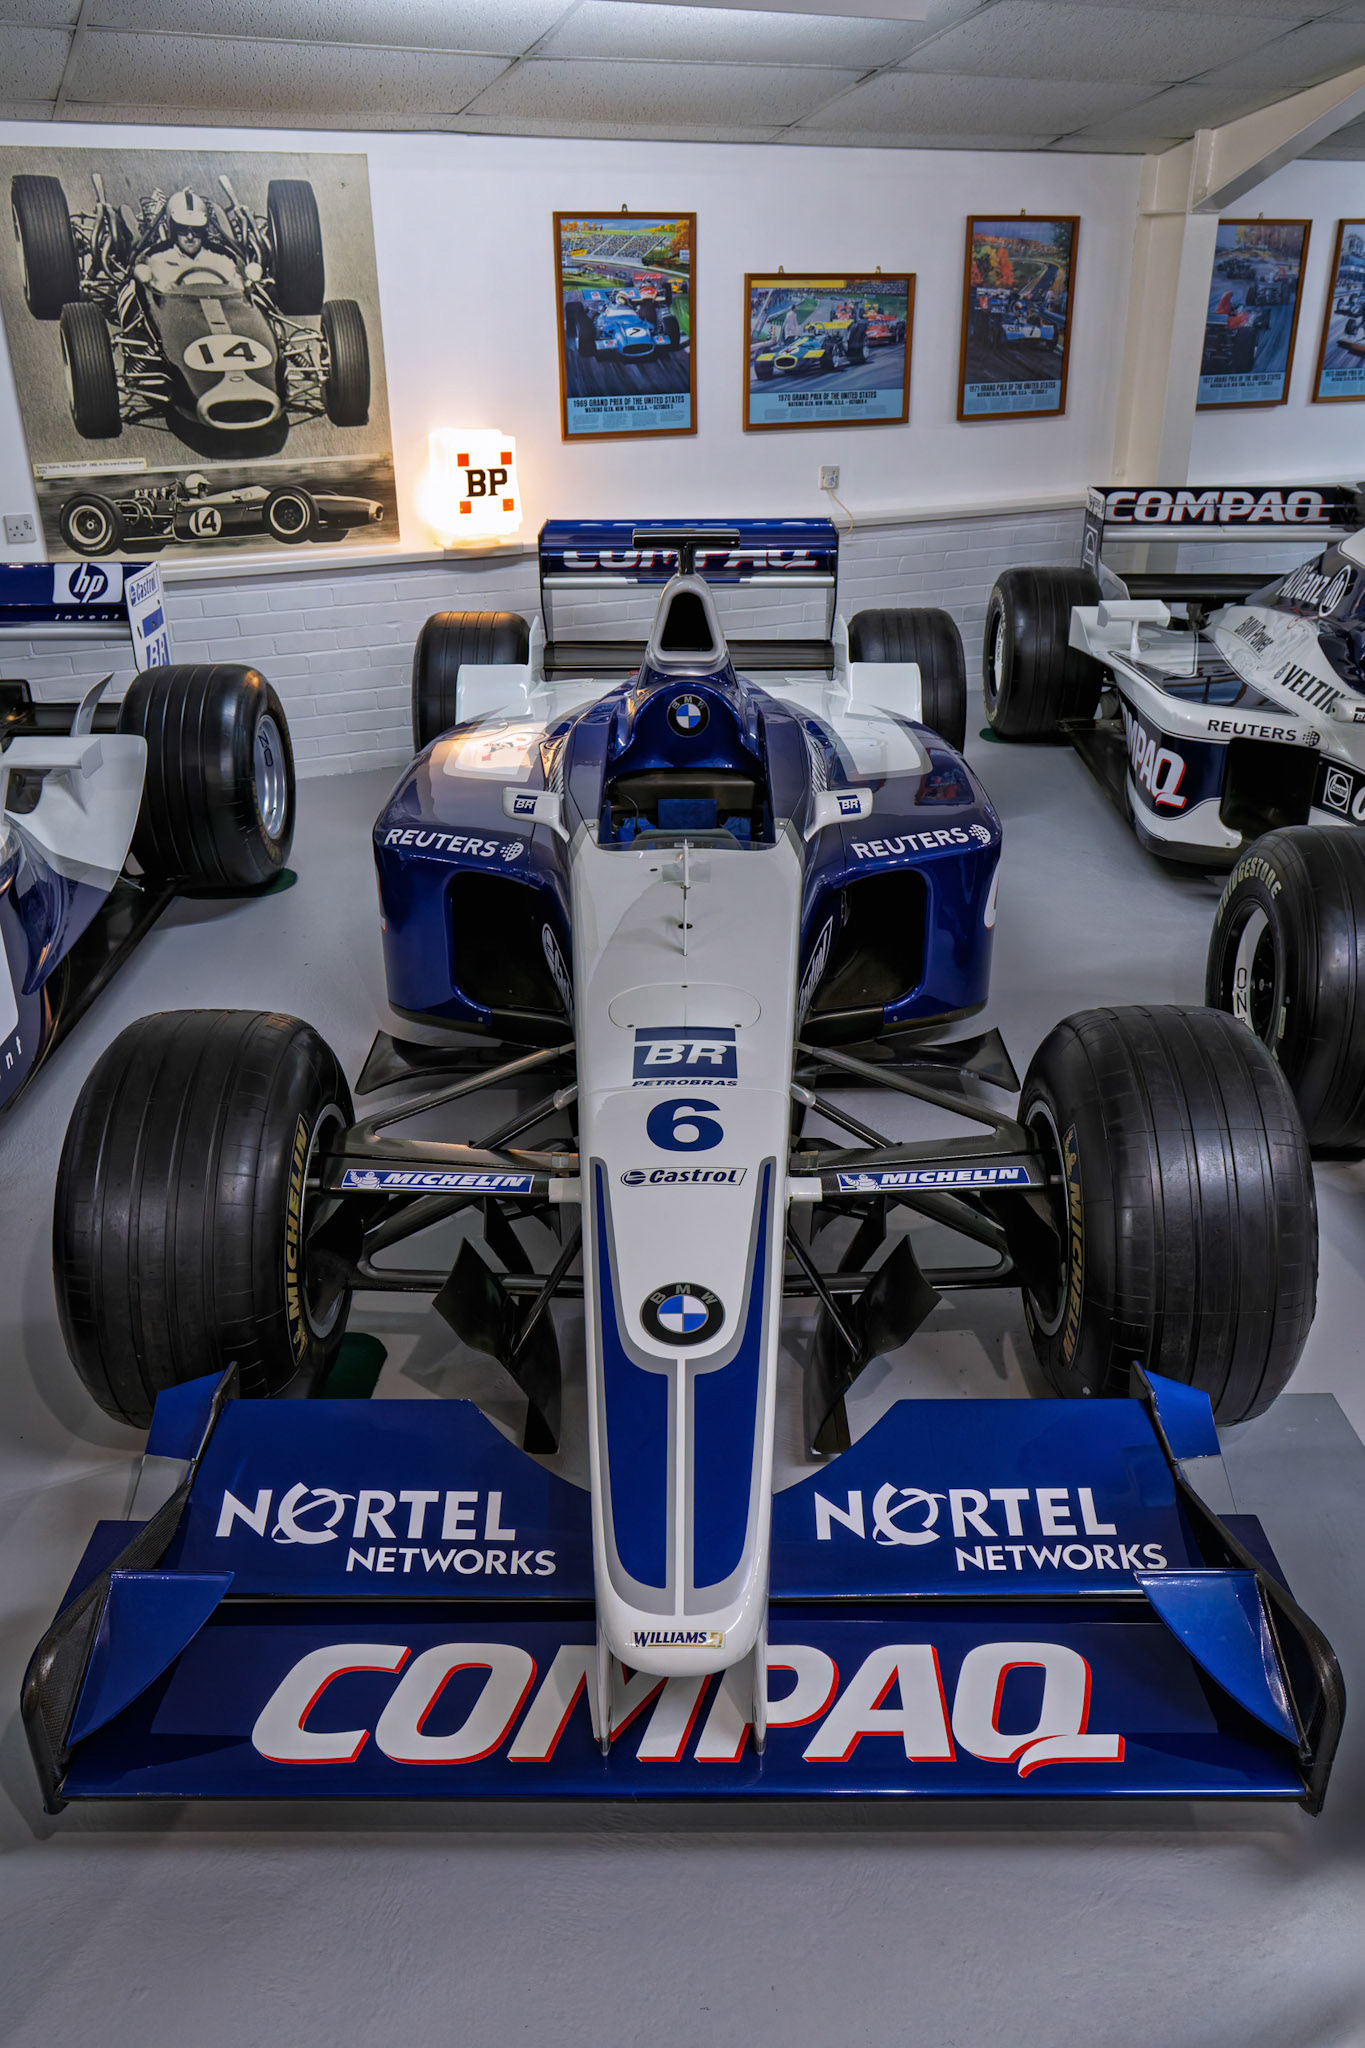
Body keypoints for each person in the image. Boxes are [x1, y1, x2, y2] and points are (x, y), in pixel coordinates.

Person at [134, 190, 258, 295]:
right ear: (174, 230)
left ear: (204, 231)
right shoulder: (157, 259)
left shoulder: (222, 259)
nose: (189, 236)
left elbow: (238, 290)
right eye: (182, 229)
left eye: (196, 230)